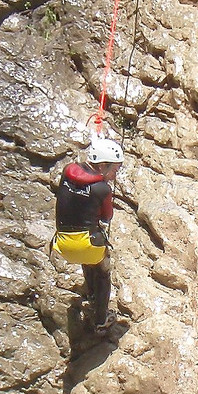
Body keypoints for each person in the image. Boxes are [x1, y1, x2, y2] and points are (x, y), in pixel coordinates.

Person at [52, 138, 124, 334]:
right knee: (103, 270)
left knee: (86, 248)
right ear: (102, 165)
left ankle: (90, 293)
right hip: (87, 245)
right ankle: (101, 320)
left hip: (62, 245)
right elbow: (107, 217)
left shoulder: (68, 171)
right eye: (114, 170)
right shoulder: (102, 188)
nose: (115, 175)